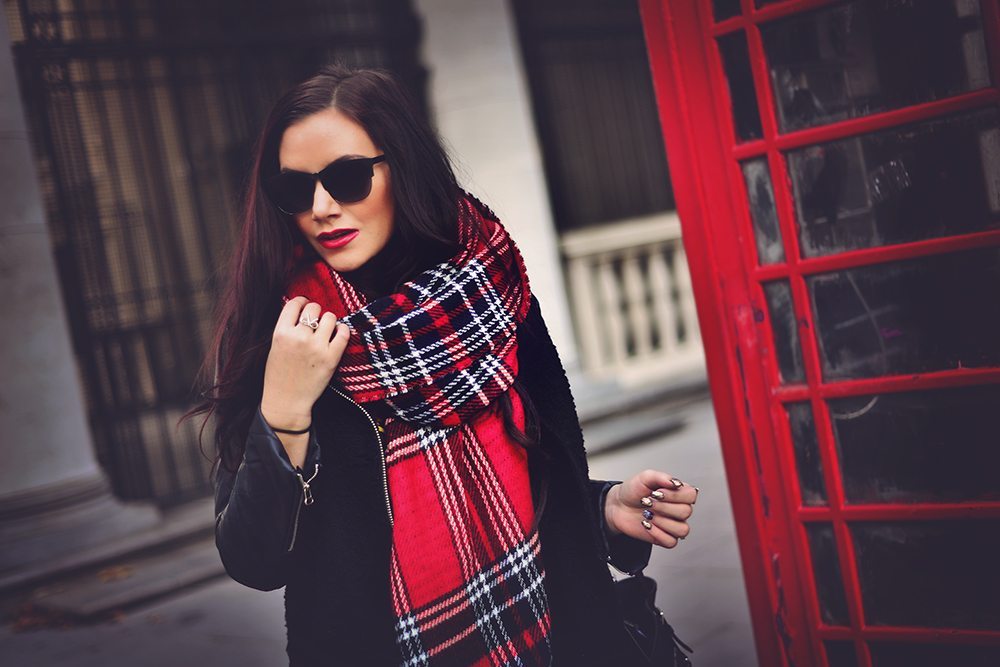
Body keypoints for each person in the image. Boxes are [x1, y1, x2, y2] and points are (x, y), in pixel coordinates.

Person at [193, 63, 698, 666]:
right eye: (295, 190)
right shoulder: (284, 334)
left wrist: (602, 509)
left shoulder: (494, 296)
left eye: (348, 178)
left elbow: (525, 481)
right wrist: (284, 409)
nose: (322, 207)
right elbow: (254, 559)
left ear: (402, 167)